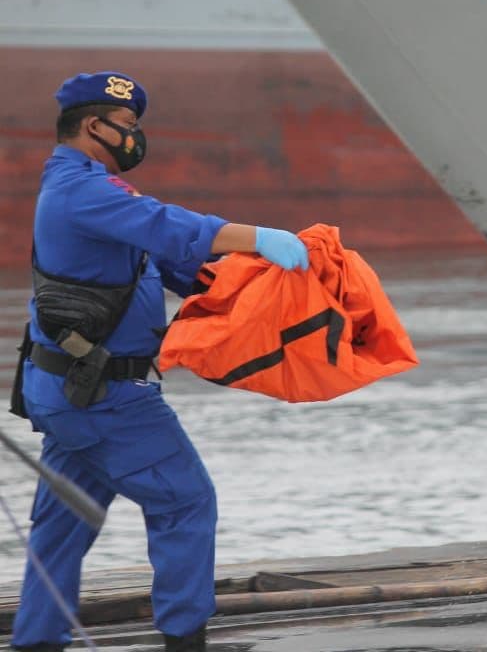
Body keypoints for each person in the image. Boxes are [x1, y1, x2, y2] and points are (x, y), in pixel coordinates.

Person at [9, 72, 310, 652]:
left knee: (63, 525)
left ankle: (37, 642)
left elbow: (159, 258)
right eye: (128, 128)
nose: (135, 139)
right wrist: (256, 237)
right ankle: (183, 640)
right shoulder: (83, 191)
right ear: (93, 126)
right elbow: (167, 225)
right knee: (185, 500)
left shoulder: (89, 192)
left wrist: (245, 283)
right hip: (108, 396)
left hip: (68, 391)